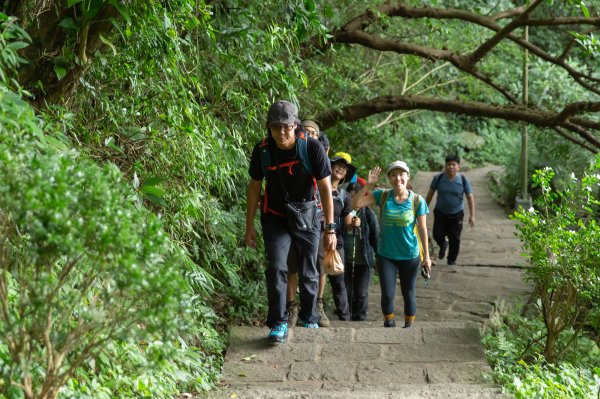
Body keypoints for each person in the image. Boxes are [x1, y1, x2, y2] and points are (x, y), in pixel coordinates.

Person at [245, 101, 337, 344]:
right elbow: (254, 188)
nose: (282, 133)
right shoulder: (263, 150)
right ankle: (278, 322)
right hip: (275, 216)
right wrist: (249, 225)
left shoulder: (312, 148)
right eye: (276, 128)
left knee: (309, 270)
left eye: (287, 127)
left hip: (307, 215)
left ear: (296, 126)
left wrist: (330, 227)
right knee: (277, 267)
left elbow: (326, 189)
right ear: (269, 128)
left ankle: (310, 316)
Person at [351, 161, 431, 328]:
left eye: (401, 174)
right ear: (389, 178)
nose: (398, 178)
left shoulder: (417, 201)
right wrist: (368, 185)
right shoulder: (383, 196)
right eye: (393, 175)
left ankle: (409, 327)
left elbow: (423, 230)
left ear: (407, 176)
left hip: (410, 255)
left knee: (408, 293)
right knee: (387, 294)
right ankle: (389, 323)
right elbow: (355, 204)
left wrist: (427, 257)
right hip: (386, 255)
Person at [286, 119, 332, 328]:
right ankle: (292, 306)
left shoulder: (321, 158)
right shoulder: (294, 154)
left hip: (319, 221)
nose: (309, 135)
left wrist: (331, 227)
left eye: (314, 132)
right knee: (292, 264)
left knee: (317, 265)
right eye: (306, 131)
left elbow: (330, 190)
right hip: (296, 219)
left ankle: (316, 306)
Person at [425, 154, 475, 266]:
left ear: (458, 167)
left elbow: (470, 198)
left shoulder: (463, 180)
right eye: (449, 164)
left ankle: (451, 260)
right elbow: (430, 195)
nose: (451, 167)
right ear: (445, 166)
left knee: (455, 238)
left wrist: (472, 216)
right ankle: (443, 244)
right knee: (437, 234)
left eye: (454, 164)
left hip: (457, 215)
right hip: (440, 213)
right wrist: (423, 209)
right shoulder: (438, 179)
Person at [344, 181, 378, 321]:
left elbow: (375, 237)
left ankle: (360, 316)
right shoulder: (342, 213)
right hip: (345, 257)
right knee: (347, 289)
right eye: (351, 198)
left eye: (357, 198)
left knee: (361, 291)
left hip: (363, 258)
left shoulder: (368, 214)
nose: (354, 202)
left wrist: (379, 258)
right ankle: (346, 313)